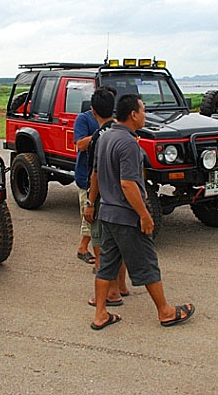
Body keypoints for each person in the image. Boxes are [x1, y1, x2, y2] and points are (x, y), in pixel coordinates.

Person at [87, 94, 195, 330]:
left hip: (107, 213)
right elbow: (128, 184)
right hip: (126, 216)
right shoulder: (128, 143)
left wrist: (91, 202)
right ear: (133, 114)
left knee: (106, 265)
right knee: (147, 263)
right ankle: (165, 312)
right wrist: (145, 215)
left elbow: (96, 173)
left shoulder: (105, 137)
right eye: (143, 111)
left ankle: (100, 314)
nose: (146, 115)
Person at [82, 87, 128, 306]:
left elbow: (96, 174)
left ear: (93, 111)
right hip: (122, 197)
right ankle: (122, 285)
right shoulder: (123, 132)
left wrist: (90, 202)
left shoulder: (98, 137)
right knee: (119, 245)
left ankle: (110, 293)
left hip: (104, 199)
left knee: (102, 246)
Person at [73, 92, 99, 265]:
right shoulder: (84, 119)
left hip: (102, 175)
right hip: (86, 175)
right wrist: (100, 134)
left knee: (95, 215)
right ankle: (83, 249)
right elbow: (80, 144)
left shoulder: (113, 121)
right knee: (89, 214)